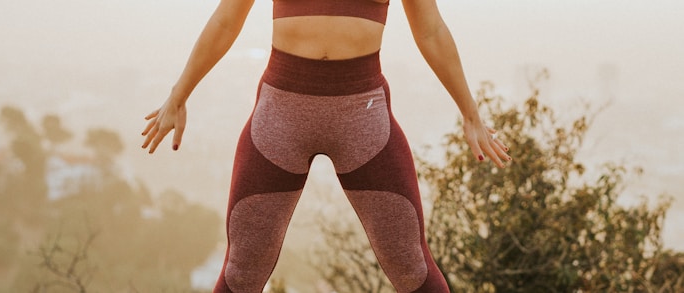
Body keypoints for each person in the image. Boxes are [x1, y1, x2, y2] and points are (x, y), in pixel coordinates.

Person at [142, 0, 511, 291]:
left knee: (412, 269)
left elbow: (430, 30)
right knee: (241, 274)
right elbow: (226, 19)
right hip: (280, 115)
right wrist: (179, 94)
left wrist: (470, 112)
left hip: (363, 117)